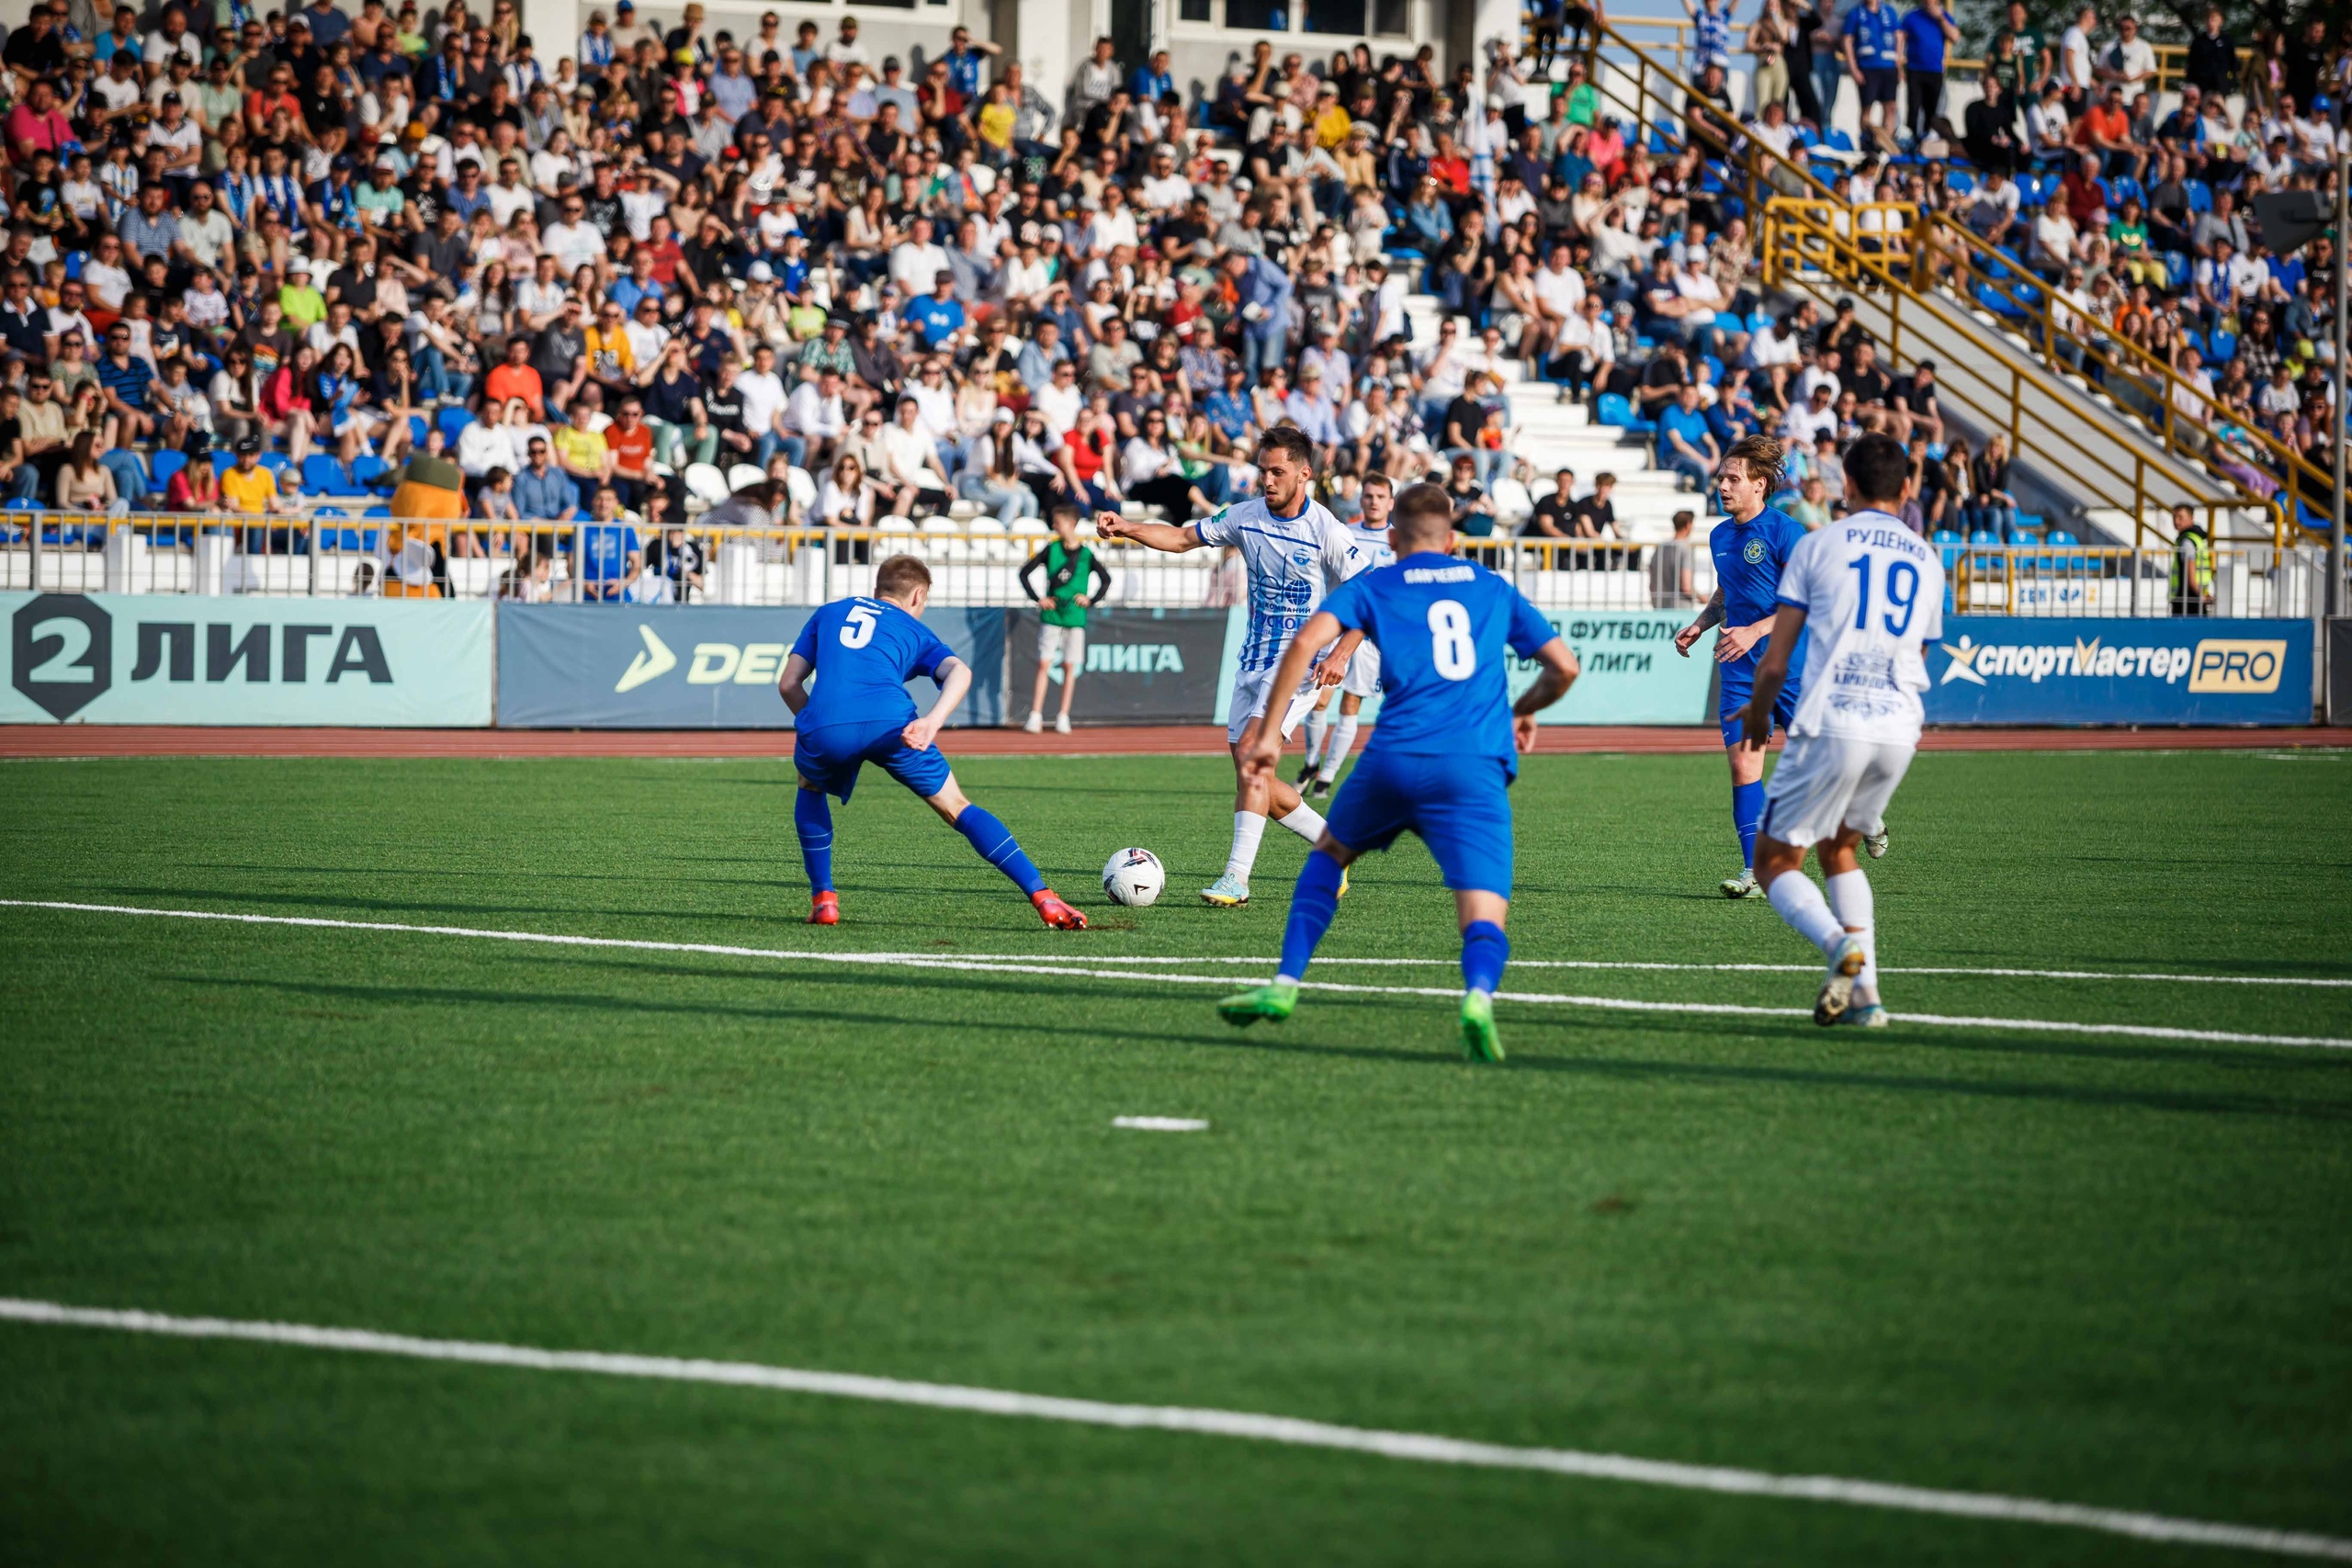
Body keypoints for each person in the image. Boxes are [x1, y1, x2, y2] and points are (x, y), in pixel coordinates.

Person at [1215, 480, 1581, 1062]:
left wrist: (1264, 741)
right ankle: (1479, 998)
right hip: (1473, 764)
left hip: (1395, 758)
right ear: (1454, 538)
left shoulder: (1380, 582)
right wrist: (1523, 710)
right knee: (1483, 903)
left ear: (1392, 535)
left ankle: (1285, 984)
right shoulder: (1492, 587)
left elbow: (1307, 640)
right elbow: (1564, 667)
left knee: (1331, 855)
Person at [1095, 426, 1374, 907]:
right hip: (1253, 660)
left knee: (1252, 754)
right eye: (1263, 470)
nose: (1266, 479)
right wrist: (1128, 527)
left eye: (1277, 472)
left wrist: (1343, 651)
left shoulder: (1326, 528)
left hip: (1299, 661)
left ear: (1304, 474)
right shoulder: (1244, 517)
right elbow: (1183, 538)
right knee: (1253, 773)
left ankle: (1236, 879)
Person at [1741, 432, 1945, 1028]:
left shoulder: (1818, 544)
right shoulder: (1927, 558)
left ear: (1845, 485)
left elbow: (1776, 659)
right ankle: (1868, 999)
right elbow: (1921, 652)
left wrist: (1758, 714)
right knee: (1840, 850)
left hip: (1835, 718)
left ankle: (1840, 947)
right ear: (1906, 488)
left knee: (1773, 860)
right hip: (1899, 726)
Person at [778, 553, 1088, 931]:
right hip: (894, 725)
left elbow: (789, 684)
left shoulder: (828, 612)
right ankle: (1044, 896)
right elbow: (960, 671)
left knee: (810, 787)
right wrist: (931, 723)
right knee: (957, 806)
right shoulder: (914, 628)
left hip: (826, 725)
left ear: (877, 590)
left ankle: (824, 900)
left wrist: (818, 724)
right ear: (918, 596)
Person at [1673, 434, 1811, 899]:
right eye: (1721, 478)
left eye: (1733, 478)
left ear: (1760, 484)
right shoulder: (1718, 535)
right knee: (1743, 768)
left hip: (1790, 666)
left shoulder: (1786, 532)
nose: (1723, 486)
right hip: (1738, 669)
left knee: (1826, 761)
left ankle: (1864, 812)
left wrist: (1755, 630)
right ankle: (1756, 872)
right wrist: (1701, 623)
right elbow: (1728, 592)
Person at [1297, 470, 1397, 797]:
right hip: (1335, 628)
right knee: (1317, 698)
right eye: (1368, 496)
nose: (1373, 502)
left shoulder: (1398, 541)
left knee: (1350, 704)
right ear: (1361, 498)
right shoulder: (1345, 533)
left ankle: (1327, 776)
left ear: (1390, 502)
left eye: (1380, 497)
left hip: (1369, 637)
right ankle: (1311, 762)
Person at [1017, 504, 1112, 735]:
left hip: (1075, 615)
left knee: (1070, 666)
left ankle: (1063, 715)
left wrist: (1091, 599)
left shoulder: (1086, 554)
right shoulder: (1051, 549)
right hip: (1053, 613)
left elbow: (1105, 579)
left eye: (1057, 522)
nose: (1054, 526)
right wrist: (1038, 598)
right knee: (1044, 663)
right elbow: (1024, 572)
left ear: (1070, 524)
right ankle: (1036, 714)